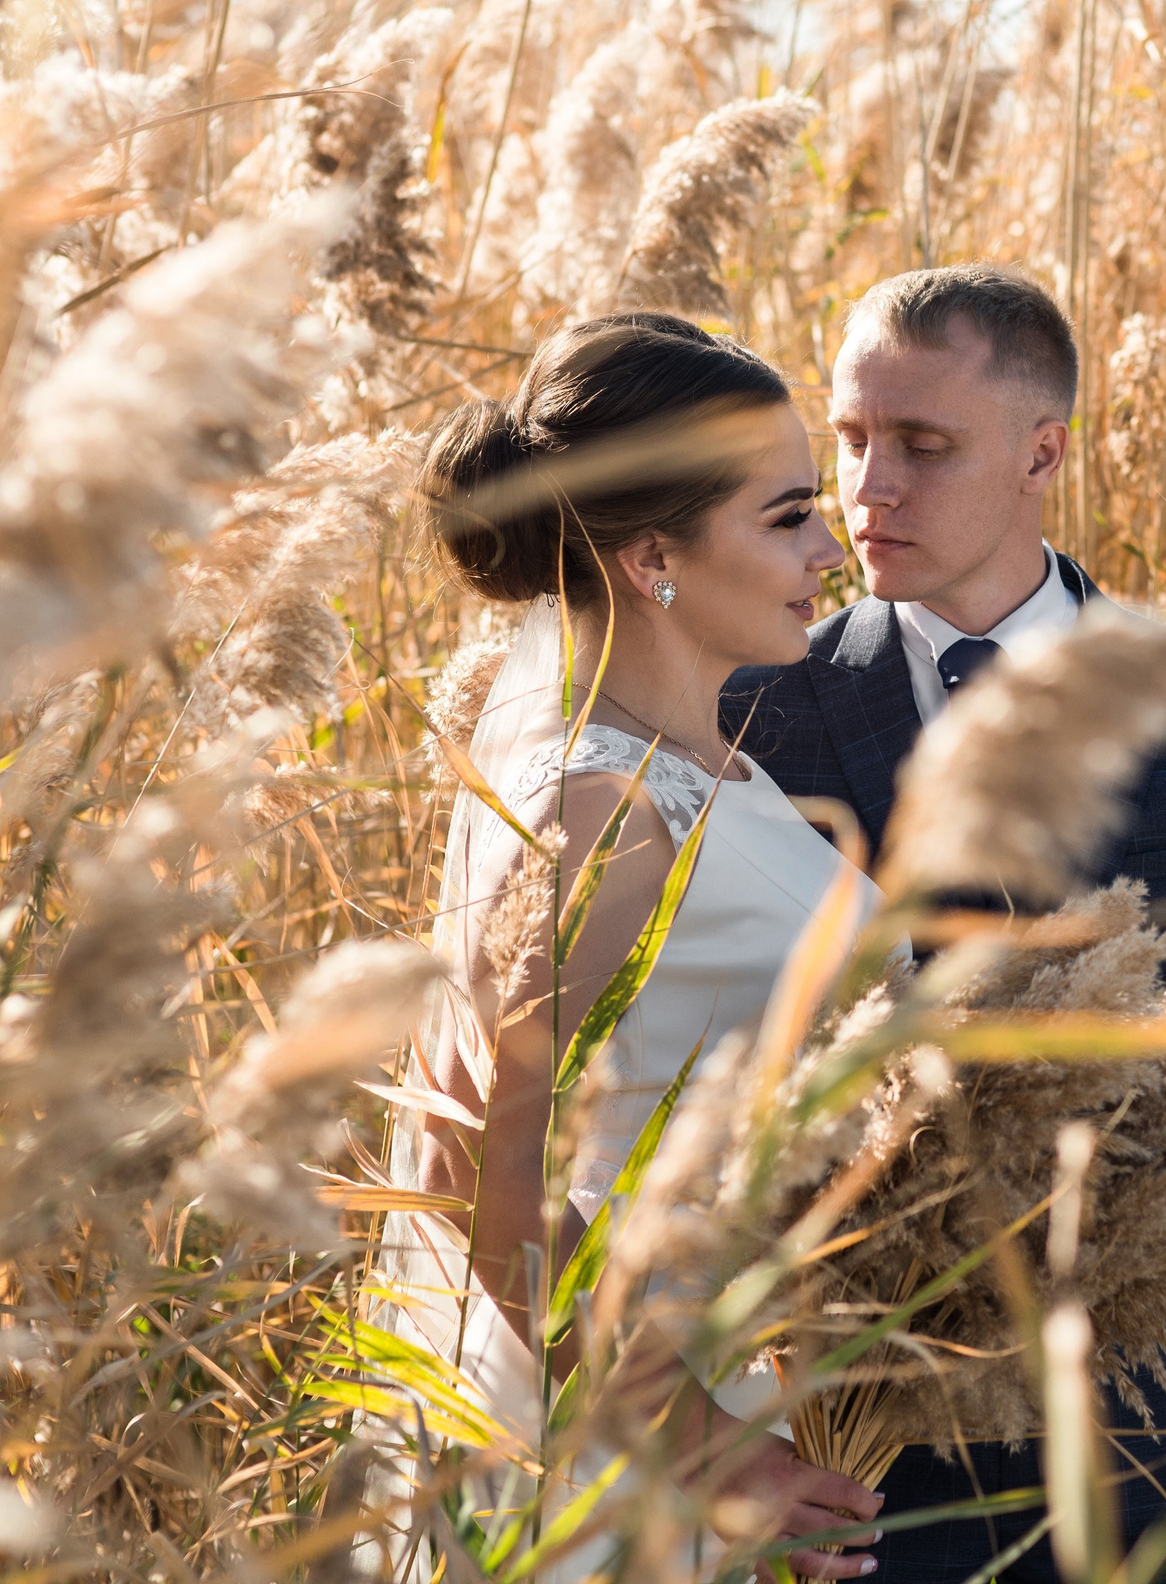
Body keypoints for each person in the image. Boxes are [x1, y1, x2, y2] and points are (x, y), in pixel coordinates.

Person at [722, 266, 1166, 1584]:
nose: (869, 485)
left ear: (1041, 452)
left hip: (1130, 1419)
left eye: (922, 445)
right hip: (840, 1433)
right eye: (850, 441)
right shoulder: (756, 710)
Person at [384, 314, 888, 1581]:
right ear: (653, 552)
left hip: (713, 1384)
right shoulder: (600, 810)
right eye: (786, 518)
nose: (831, 549)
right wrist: (702, 1446)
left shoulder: (712, 765)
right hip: (614, 1458)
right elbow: (467, 1153)